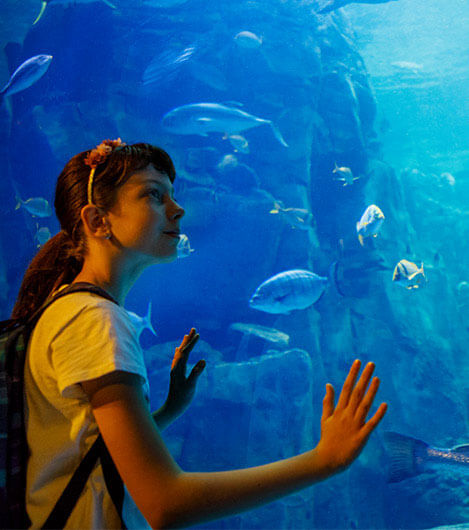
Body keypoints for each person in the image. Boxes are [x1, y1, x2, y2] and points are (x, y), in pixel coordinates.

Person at [11, 139, 388, 529]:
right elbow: (166, 503)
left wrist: (165, 412)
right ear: (97, 221)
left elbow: (81, 452)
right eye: (154, 196)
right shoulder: (95, 320)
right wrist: (324, 459)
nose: (178, 209)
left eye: (172, 195)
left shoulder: (65, 307)